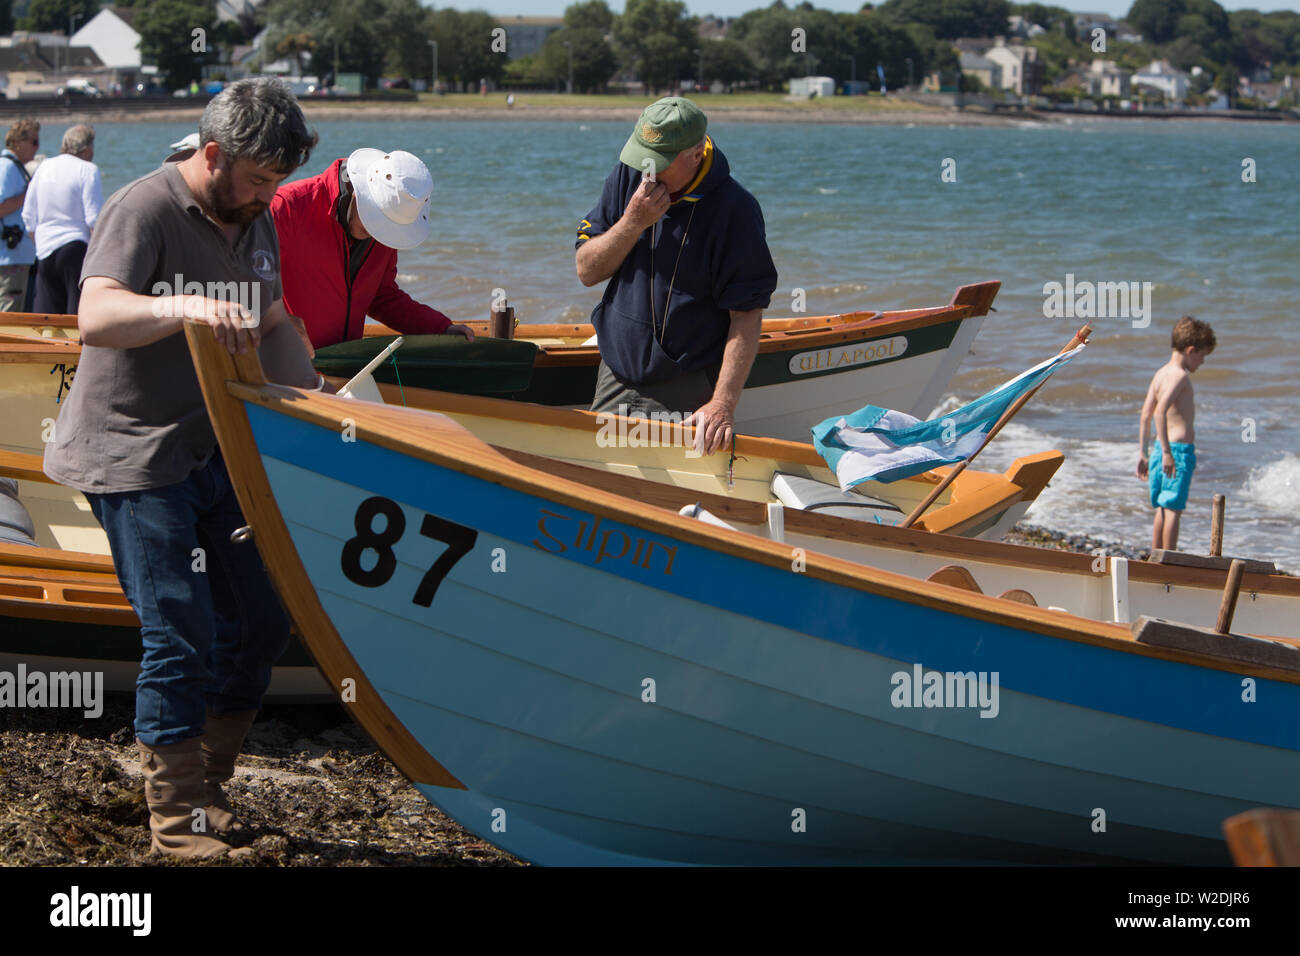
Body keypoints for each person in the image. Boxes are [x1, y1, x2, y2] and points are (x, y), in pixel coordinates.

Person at [43, 77, 322, 859]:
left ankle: (209, 790)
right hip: (132, 454)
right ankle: (177, 825)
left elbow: (270, 321)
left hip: (214, 450)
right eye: (261, 179)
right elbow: (94, 314)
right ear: (211, 155)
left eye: (280, 181)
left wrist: (322, 396)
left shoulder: (253, 218)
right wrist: (181, 306)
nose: (271, 194)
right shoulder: (145, 207)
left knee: (262, 621)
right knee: (179, 631)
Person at [575, 97, 778, 455]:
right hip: (616, 372)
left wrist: (722, 405)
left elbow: (745, 315)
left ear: (696, 153)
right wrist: (633, 222)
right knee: (598, 479)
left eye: (659, 161)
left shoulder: (736, 211)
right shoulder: (629, 175)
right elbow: (587, 271)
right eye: (643, 156)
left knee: (671, 497)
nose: (647, 171)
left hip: (685, 382)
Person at [271, 147, 473, 350]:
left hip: (343, 366)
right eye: (376, 221)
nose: (378, 232)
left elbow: (381, 297)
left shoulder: (388, 229)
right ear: (359, 191)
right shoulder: (286, 207)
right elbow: (239, 279)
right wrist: (274, 320)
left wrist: (439, 328)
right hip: (283, 364)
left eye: (388, 226)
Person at [1136, 315, 1216, 551]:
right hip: (1176, 452)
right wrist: (1170, 454)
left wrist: (1143, 452)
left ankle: (1156, 557)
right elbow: (1159, 412)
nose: (1202, 363)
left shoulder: (1160, 373)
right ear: (1191, 350)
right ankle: (1169, 559)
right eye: (1202, 356)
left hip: (1160, 449)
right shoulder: (1180, 376)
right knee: (1174, 508)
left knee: (1163, 505)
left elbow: (1145, 415)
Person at [22, 124, 102, 314]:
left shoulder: (44, 167)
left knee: (47, 318)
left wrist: (39, 243)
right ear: (87, 148)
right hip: (75, 248)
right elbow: (94, 220)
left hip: (45, 251)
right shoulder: (88, 169)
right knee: (77, 316)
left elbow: (28, 216)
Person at [0, 119, 39, 311]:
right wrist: (29, 194)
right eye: (33, 142)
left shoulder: (15, 167)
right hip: (9, 258)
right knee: (9, 312)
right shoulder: (6, 167)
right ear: (18, 141)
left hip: (17, 256)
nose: (36, 148)